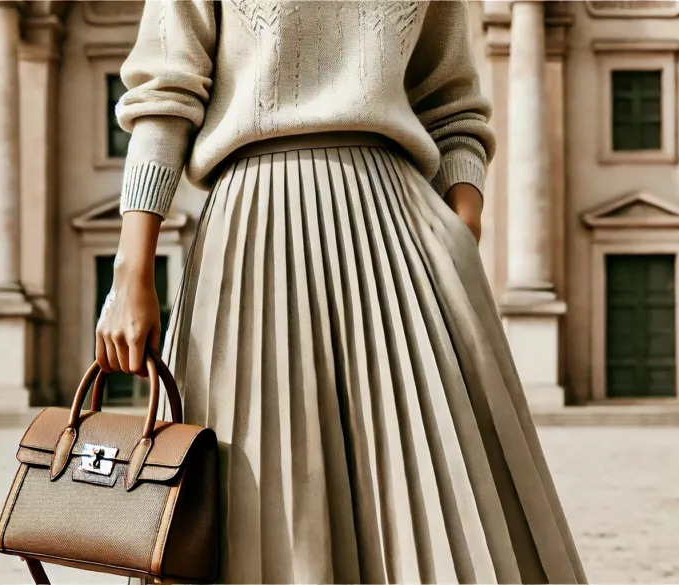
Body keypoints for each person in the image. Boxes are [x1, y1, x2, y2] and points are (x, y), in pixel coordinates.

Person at [95, 1, 586, 583]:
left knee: (434, 495)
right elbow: (165, 94)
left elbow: (453, 104)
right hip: (256, 232)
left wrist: (463, 224)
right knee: (259, 490)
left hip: (404, 236)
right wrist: (132, 270)